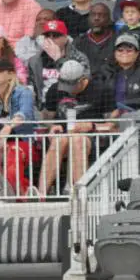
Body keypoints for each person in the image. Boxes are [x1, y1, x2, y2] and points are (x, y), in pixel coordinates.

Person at [37, 60, 117, 197]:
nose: (68, 90)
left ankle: (80, 193)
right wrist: (52, 126)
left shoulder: (101, 90)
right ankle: (41, 193)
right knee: (58, 142)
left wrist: (91, 126)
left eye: (72, 85)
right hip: (63, 134)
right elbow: (46, 119)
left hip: (92, 136)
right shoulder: (55, 90)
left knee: (77, 140)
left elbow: (114, 124)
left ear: (82, 80)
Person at [0, 59, 36, 197]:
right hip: (0, 144)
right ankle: (2, 192)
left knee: (13, 152)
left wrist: (8, 127)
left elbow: (25, 114)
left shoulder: (24, 92)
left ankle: (22, 196)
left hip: (25, 143)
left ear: (11, 74)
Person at [97, 34, 140, 114]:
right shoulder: (104, 71)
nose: (124, 53)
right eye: (120, 50)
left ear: (137, 53)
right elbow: (97, 97)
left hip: (134, 115)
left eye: (129, 50)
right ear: (114, 53)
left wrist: (121, 107)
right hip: (106, 114)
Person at [73, 3, 117, 77]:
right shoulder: (78, 42)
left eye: (101, 15)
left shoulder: (117, 42)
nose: (96, 18)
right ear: (88, 19)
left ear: (109, 20)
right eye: (93, 15)